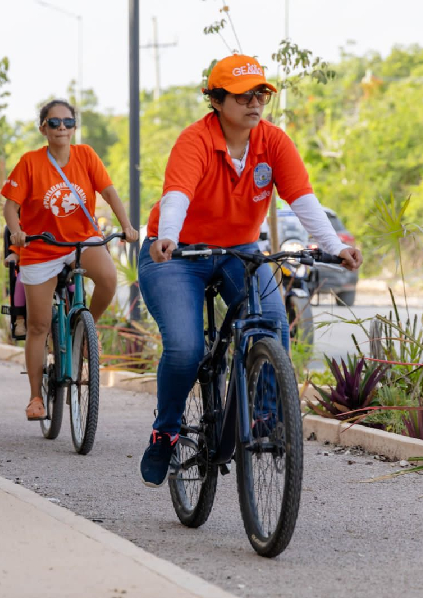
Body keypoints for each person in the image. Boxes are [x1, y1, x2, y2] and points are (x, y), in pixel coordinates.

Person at [137, 54, 364, 487]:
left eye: (260, 93)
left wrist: (334, 247)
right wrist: (168, 235)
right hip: (177, 253)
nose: (254, 102)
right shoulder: (195, 140)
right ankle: (165, 431)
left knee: (273, 326)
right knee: (185, 349)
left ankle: (264, 417)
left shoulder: (274, 141)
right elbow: (177, 195)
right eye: (242, 96)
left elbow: (301, 198)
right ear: (217, 100)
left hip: (239, 250)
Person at [2, 99, 139, 421]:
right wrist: (17, 231)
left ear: (74, 127)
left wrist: (127, 226)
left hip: (82, 239)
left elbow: (109, 192)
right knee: (38, 326)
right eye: (54, 123)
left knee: (107, 279)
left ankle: (84, 333)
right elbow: (10, 206)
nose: (61, 128)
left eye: (67, 122)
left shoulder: (86, 155)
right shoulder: (30, 162)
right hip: (41, 246)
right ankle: (36, 397)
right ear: (43, 128)